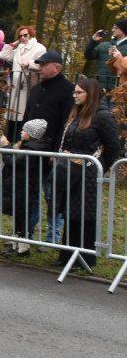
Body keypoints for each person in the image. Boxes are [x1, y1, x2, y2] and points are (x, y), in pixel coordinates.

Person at [51, 78, 120, 271]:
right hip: (72, 170)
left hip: (89, 172)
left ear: (91, 94)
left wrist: (99, 166)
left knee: (85, 214)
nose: (75, 96)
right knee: (71, 212)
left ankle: (84, 258)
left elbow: (113, 147)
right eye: (74, 92)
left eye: (79, 92)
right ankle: (67, 255)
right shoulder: (78, 113)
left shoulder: (103, 116)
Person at [20, 50, 75, 245]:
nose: (40, 68)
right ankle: (28, 235)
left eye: (44, 65)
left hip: (52, 153)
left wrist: (57, 151)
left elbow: (66, 123)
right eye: (39, 65)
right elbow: (27, 117)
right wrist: (22, 142)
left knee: (53, 195)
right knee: (32, 194)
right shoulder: (36, 89)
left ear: (57, 67)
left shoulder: (68, 90)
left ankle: (53, 237)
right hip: (32, 151)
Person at [0, 118, 48, 258]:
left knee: (23, 215)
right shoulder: (27, 146)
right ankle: (15, 243)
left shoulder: (32, 149)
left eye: (25, 130)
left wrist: (5, 147)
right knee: (19, 214)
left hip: (25, 187)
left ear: (32, 134)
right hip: (20, 185)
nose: (21, 132)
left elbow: (12, 161)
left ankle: (23, 246)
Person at [0, 25, 46, 140]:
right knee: (12, 115)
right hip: (15, 87)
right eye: (20, 36)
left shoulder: (39, 48)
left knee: (23, 114)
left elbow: (42, 64)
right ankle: (10, 139)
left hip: (27, 86)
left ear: (31, 35)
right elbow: (3, 55)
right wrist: (13, 44)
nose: (23, 38)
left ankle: (20, 139)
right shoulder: (19, 49)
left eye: (25, 35)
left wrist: (29, 63)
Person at [84, 19, 127, 91]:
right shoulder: (103, 45)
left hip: (120, 90)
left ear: (124, 30)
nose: (112, 30)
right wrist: (93, 41)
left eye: (116, 28)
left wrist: (120, 57)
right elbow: (88, 55)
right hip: (101, 88)